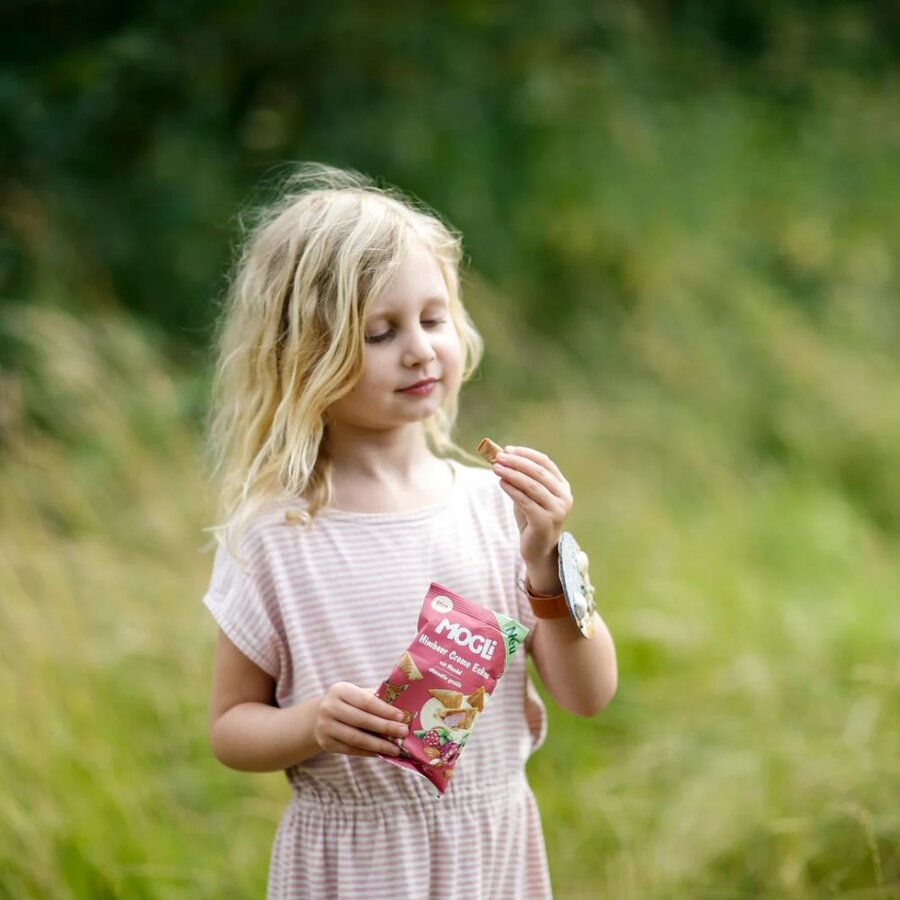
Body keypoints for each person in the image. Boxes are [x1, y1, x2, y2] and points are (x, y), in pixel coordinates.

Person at [201, 163, 618, 899]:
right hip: (352, 863)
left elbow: (588, 695)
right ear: (305, 354)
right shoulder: (273, 534)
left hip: (488, 852)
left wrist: (548, 565)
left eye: (434, 318)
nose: (422, 349)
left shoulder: (498, 509)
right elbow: (231, 725)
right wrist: (310, 725)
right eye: (381, 332)